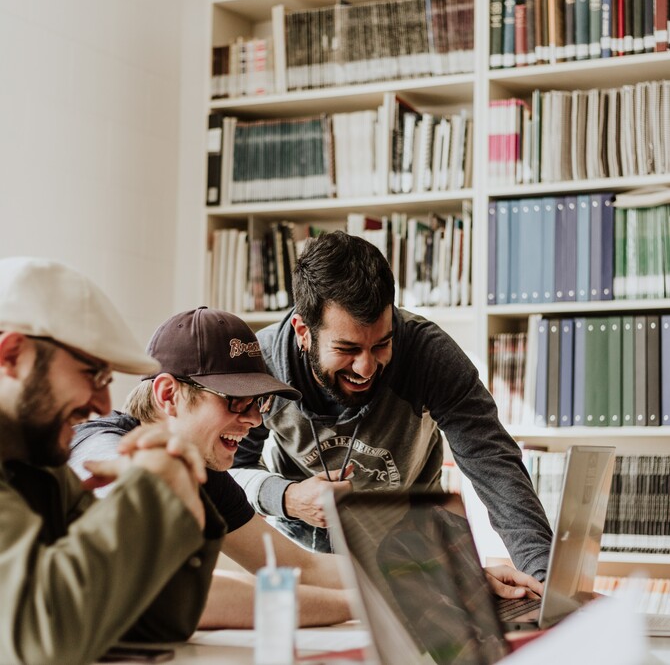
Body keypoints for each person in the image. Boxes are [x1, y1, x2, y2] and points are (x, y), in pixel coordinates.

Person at [231, 230, 554, 582]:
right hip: (305, 562)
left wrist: (543, 579)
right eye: (347, 349)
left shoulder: (429, 355)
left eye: (381, 344)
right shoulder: (261, 367)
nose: (366, 368)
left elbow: (495, 466)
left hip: (414, 555)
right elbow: (230, 471)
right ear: (303, 331)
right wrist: (288, 497)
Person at [0, 257, 225, 665]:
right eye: (93, 374)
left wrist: (178, 486)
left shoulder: (41, 469)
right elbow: (41, 643)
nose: (104, 404)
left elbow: (153, 623)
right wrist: (152, 488)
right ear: (13, 355)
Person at [69, 306, 353, 628]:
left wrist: (401, 580)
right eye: (236, 399)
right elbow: (174, 593)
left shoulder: (203, 472)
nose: (255, 420)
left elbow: (298, 567)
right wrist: (361, 605)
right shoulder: (101, 450)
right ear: (168, 395)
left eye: (258, 402)